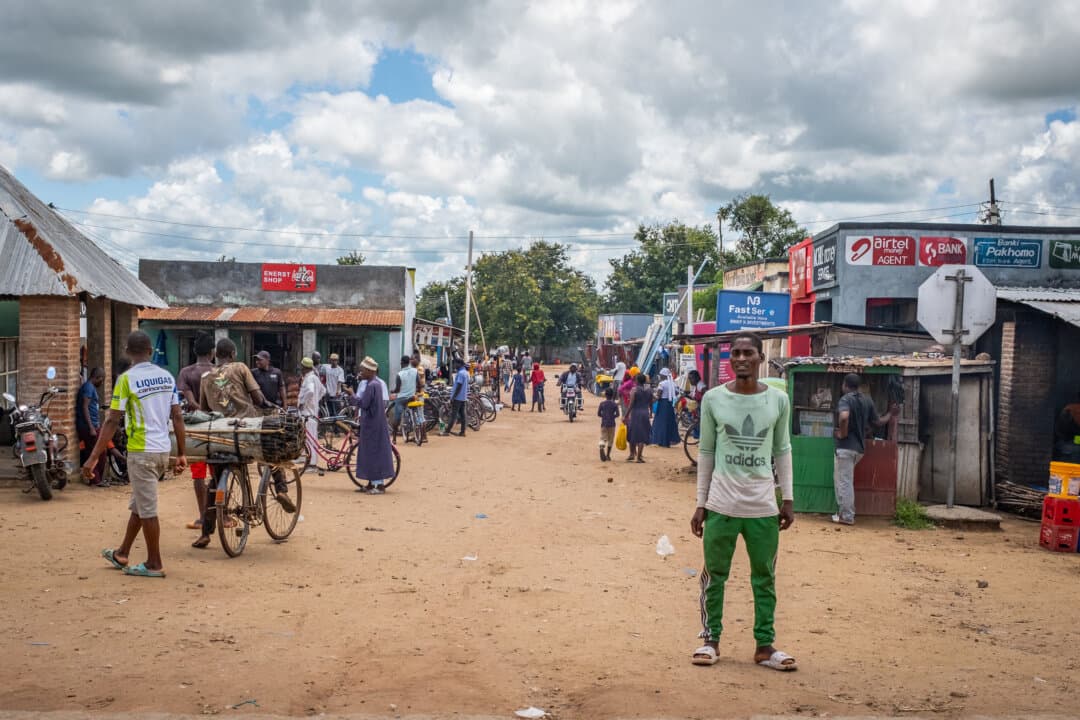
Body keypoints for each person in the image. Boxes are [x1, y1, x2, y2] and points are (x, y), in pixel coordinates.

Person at [690, 332, 796, 671]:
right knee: (714, 575)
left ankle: (765, 646)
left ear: (760, 358)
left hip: (763, 508)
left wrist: (788, 498)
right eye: (734, 352)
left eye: (747, 352)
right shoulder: (713, 399)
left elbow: (782, 450)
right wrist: (700, 502)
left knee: (764, 577)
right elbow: (706, 452)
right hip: (721, 506)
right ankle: (710, 641)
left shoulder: (778, 401)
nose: (740, 358)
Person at [84, 330, 186, 578]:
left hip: (142, 451)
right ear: (150, 351)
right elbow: (178, 416)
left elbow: (111, 421)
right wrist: (182, 453)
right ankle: (122, 552)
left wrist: (93, 456)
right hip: (163, 450)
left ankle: (154, 563)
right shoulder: (166, 376)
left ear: (128, 353)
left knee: (148, 509)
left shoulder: (127, 379)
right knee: (140, 505)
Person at [193, 338, 295, 549]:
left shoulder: (206, 377)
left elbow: (203, 411)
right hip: (246, 430)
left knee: (215, 484)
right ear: (232, 354)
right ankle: (282, 489)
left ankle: (205, 533)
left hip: (221, 433)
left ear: (215, 355)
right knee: (272, 451)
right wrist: (272, 408)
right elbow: (257, 398)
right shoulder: (240, 367)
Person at [833, 373, 897, 526]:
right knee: (842, 479)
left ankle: (847, 516)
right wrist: (891, 414)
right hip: (859, 449)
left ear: (845, 385)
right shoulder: (867, 400)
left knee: (844, 482)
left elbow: (844, 416)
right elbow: (878, 421)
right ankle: (843, 512)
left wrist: (842, 433)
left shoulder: (845, 399)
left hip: (846, 447)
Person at [177, 333, 215, 530]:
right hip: (218, 428)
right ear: (212, 352)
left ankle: (202, 517)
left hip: (197, 431)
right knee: (218, 472)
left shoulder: (186, 372)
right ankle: (221, 516)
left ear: (194, 351)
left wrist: (199, 410)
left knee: (198, 475)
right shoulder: (219, 372)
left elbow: (189, 401)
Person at [345, 356, 396, 494]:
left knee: (374, 453)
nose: (361, 373)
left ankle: (379, 486)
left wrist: (352, 394)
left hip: (373, 425)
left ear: (369, 370)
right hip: (372, 424)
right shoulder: (374, 384)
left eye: (363, 370)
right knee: (368, 453)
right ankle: (370, 483)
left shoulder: (372, 385)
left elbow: (364, 404)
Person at [77, 367, 107, 486]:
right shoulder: (88, 388)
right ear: (97, 378)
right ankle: (95, 480)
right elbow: (85, 407)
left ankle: (96, 479)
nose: (102, 382)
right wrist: (91, 428)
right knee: (96, 452)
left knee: (100, 451)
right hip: (89, 427)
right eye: (102, 379)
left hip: (93, 425)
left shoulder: (89, 387)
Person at [297, 357, 325, 470]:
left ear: (305, 368)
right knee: (310, 438)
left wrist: (303, 403)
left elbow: (310, 391)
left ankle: (311, 464)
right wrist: (315, 401)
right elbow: (323, 391)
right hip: (312, 412)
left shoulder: (309, 379)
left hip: (307, 413)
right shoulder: (315, 378)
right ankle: (309, 461)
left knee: (309, 439)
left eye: (302, 367)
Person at [623, 373, 652, 462]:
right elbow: (651, 401)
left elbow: (631, 404)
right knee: (642, 435)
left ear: (637, 381)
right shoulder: (648, 389)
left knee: (632, 433)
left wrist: (626, 415)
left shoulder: (634, 390)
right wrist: (650, 412)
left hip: (635, 413)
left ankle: (632, 454)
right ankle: (639, 457)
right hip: (645, 413)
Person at [651, 368, 681, 447]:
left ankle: (661, 440)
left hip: (662, 404)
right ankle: (668, 441)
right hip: (670, 404)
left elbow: (659, 395)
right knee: (669, 422)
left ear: (663, 375)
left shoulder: (662, 384)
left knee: (660, 422)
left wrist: (653, 399)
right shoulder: (673, 383)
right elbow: (677, 392)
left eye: (661, 375)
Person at [390, 355, 418, 437]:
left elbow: (397, 390)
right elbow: (419, 384)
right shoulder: (415, 371)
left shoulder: (399, 374)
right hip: (412, 397)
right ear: (409, 362)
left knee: (397, 418)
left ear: (401, 363)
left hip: (402, 399)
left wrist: (392, 391)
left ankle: (394, 437)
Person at [441, 359, 469, 436]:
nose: (454, 366)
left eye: (455, 364)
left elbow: (459, 386)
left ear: (459, 364)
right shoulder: (466, 373)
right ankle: (462, 432)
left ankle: (447, 431)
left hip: (458, 397)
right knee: (462, 414)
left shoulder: (460, 373)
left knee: (453, 415)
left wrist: (453, 397)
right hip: (463, 397)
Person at [597, 387, 620, 462]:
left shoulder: (602, 404)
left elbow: (599, 414)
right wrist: (612, 416)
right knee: (610, 440)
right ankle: (608, 455)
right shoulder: (614, 404)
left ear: (605, 395)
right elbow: (617, 414)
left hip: (604, 423)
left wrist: (604, 416)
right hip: (612, 424)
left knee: (603, 437)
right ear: (612, 395)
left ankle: (601, 446)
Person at [322, 353, 345, 417]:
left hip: (336, 395)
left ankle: (337, 426)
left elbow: (339, 382)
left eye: (335, 360)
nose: (334, 362)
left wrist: (337, 391)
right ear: (330, 360)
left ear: (338, 361)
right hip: (328, 394)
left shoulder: (340, 370)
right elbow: (318, 365)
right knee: (330, 412)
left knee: (336, 413)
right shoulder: (327, 367)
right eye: (332, 360)